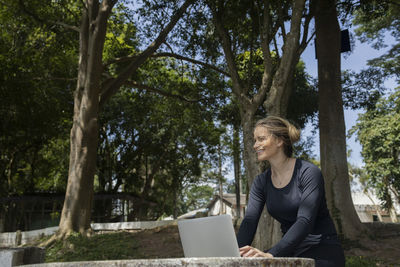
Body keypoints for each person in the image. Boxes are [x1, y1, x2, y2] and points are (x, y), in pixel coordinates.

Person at [237, 116, 345, 267]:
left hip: (321, 248)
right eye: (255, 140)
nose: (256, 145)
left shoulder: (308, 172)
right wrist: (235, 255)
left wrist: (271, 254)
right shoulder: (261, 182)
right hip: (291, 250)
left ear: (280, 141)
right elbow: (249, 222)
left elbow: (304, 220)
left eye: (261, 139)